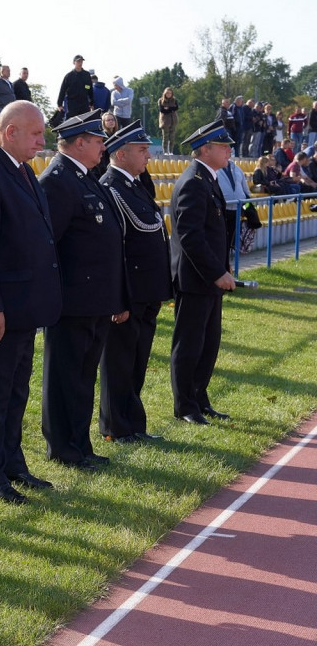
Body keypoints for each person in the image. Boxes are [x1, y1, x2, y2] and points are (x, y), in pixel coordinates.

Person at [0, 100, 62, 504]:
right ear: (10, 132)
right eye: (35, 133)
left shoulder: (21, 169)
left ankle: (11, 463)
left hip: (23, 306)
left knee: (16, 390)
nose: (42, 139)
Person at [38, 110, 127, 470]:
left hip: (95, 301)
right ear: (78, 143)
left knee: (83, 376)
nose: (103, 146)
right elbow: (49, 248)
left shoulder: (85, 177)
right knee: (65, 377)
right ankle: (63, 448)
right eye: (97, 140)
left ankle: (81, 443)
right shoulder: (57, 180)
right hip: (72, 302)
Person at [98, 121, 174, 445]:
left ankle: (134, 425)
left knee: (137, 360)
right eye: (142, 150)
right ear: (121, 153)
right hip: (129, 293)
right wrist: (118, 298)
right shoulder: (110, 186)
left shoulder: (136, 184)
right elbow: (115, 250)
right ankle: (116, 427)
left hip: (147, 292)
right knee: (119, 361)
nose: (148, 155)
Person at [169, 121, 236, 425]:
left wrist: (223, 270)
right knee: (190, 344)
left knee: (208, 343)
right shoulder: (194, 182)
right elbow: (190, 235)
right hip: (196, 279)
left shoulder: (208, 179)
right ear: (205, 150)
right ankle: (185, 405)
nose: (229, 151)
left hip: (209, 280)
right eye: (224, 146)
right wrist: (215, 273)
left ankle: (199, 397)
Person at [216, 157, 259, 256]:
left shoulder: (237, 169)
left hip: (237, 209)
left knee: (231, 236)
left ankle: (226, 261)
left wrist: (248, 206)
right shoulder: (216, 169)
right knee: (221, 236)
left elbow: (245, 190)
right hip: (222, 209)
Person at [158, 88, 179, 155]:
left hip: (173, 120)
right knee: (165, 137)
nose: (169, 94)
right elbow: (162, 110)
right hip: (165, 121)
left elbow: (176, 108)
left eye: (170, 93)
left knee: (172, 137)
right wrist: (170, 109)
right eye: (167, 93)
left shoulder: (174, 100)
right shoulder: (161, 100)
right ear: (165, 93)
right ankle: (165, 151)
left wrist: (168, 108)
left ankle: (171, 151)